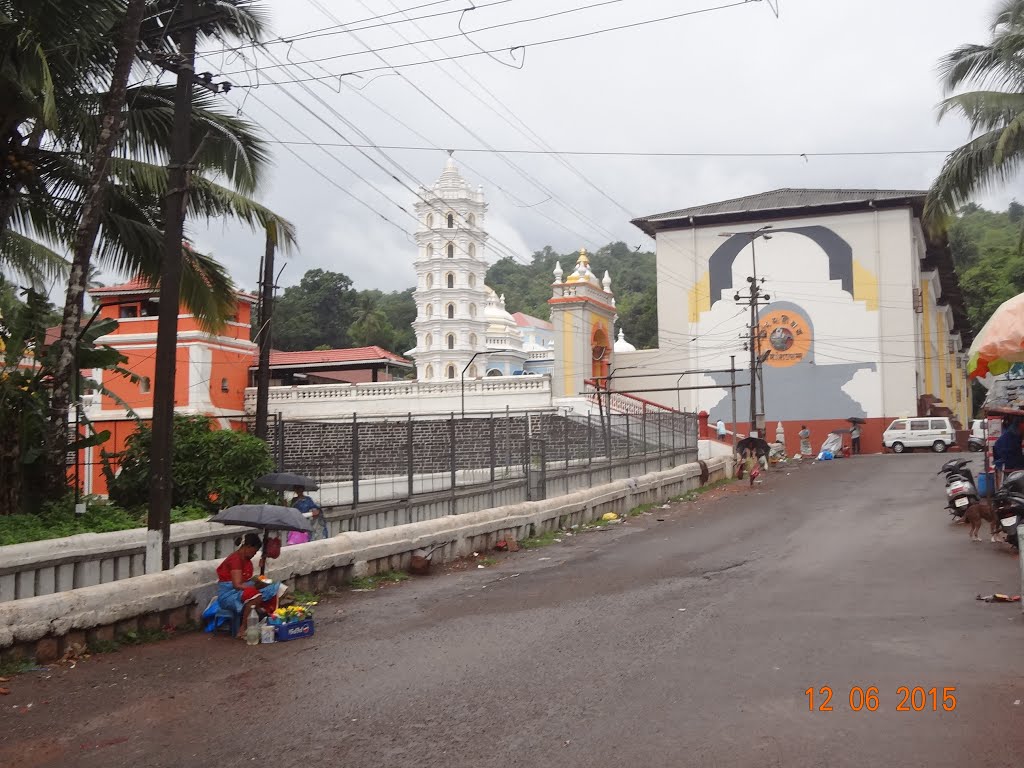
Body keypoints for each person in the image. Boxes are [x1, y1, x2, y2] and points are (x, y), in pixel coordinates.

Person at [215, 533, 279, 639]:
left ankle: (268, 617)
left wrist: (262, 573)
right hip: (229, 595)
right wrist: (254, 588)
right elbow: (237, 585)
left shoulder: (247, 560)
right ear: (248, 547)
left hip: (243, 589)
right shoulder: (235, 560)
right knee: (255, 595)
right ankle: (243, 628)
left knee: (276, 587)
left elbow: (249, 580)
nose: (254, 554)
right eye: (254, 551)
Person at [994, 419, 1024, 484]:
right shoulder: (1012, 435)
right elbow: (1009, 453)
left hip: (1007, 459)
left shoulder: (1015, 433)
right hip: (1006, 462)